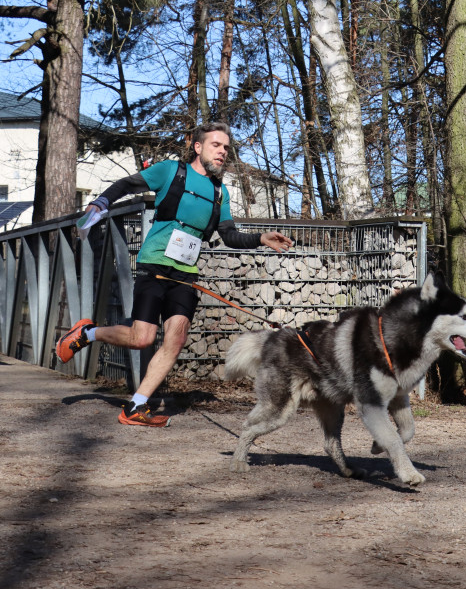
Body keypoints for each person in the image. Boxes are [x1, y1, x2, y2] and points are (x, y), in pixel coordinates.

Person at [56, 121, 293, 427]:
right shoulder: (172, 171)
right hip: (155, 265)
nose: (222, 152)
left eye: (225, 147)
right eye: (215, 145)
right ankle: (88, 333)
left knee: (176, 339)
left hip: (185, 274)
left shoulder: (220, 192)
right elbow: (128, 185)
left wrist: (260, 239)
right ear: (198, 147)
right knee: (142, 338)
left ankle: (135, 406)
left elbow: (229, 235)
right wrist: (101, 203)